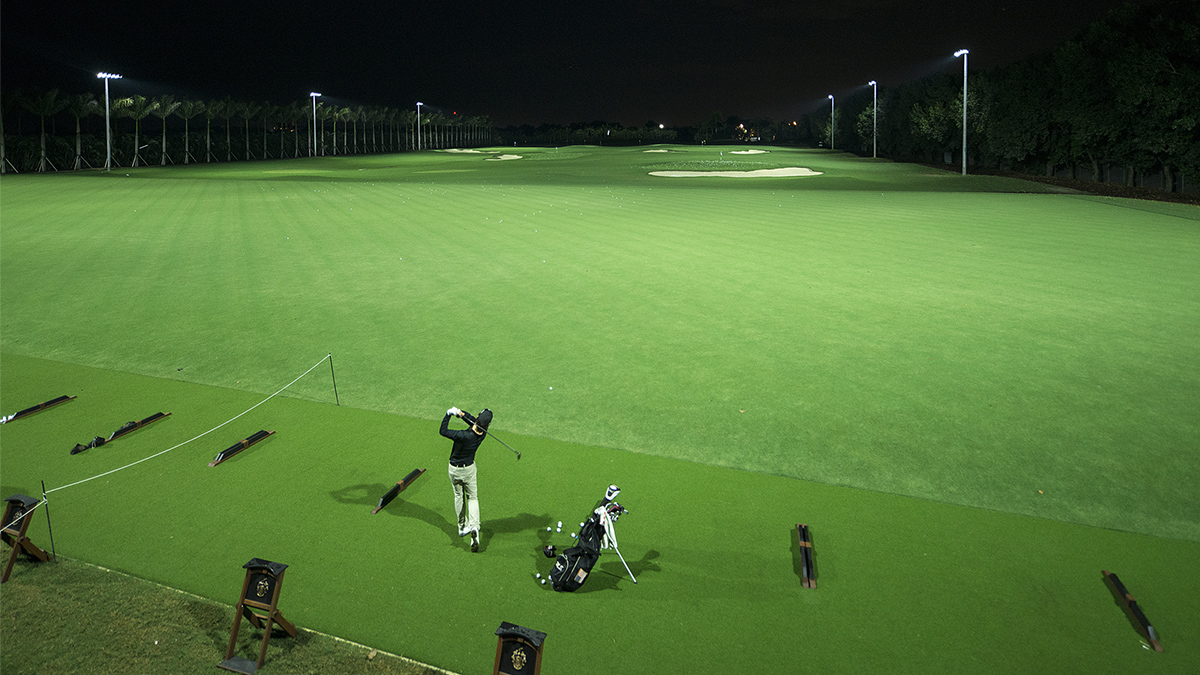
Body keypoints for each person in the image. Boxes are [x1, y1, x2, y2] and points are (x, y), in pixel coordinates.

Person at [440, 406, 492, 552]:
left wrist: (448, 414)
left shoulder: (463, 435)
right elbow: (474, 423)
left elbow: (443, 431)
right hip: (469, 470)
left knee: (458, 496)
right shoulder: (483, 433)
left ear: (477, 418)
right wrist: (461, 414)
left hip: (455, 470)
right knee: (473, 498)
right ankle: (474, 526)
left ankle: (462, 527)